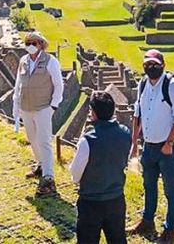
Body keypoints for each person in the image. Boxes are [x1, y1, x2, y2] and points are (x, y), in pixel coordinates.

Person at [128, 49, 174, 244]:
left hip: (167, 148)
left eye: (155, 64)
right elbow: (138, 112)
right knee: (149, 185)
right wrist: (135, 142)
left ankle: (169, 230)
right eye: (147, 64)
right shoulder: (143, 83)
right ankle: (147, 220)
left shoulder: (173, 86)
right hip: (149, 146)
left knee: (170, 190)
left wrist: (170, 143)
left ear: (163, 65)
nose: (151, 68)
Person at [70, 92, 132, 244]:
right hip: (116, 199)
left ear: (93, 112)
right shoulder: (125, 133)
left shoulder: (88, 140)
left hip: (91, 203)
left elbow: (75, 175)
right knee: (117, 239)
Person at [12, 30, 64, 196]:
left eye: (34, 43)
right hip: (26, 108)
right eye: (28, 43)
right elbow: (18, 84)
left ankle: (49, 177)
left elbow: (58, 84)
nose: (31, 46)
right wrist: (16, 104)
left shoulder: (50, 61)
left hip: (43, 108)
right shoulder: (23, 61)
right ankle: (41, 165)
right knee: (32, 139)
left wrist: (53, 106)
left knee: (44, 141)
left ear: (41, 44)